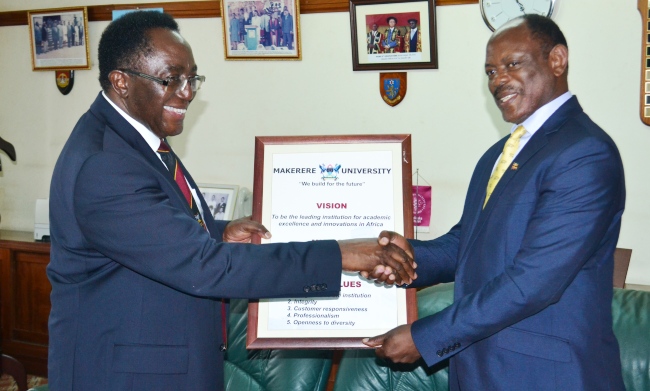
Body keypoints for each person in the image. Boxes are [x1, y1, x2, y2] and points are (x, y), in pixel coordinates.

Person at [47, 11, 415, 391]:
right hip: (124, 376)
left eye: (192, 78)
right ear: (121, 81)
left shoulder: (135, 139)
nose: (187, 92)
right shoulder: (106, 163)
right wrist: (341, 254)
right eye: (171, 78)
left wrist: (219, 232)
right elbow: (202, 266)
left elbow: (157, 230)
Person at [363, 15, 626, 390]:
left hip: (547, 377)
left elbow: (533, 281)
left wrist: (426, 337)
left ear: (557, 60)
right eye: (490, 71)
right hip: (481, 370)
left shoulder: (585, 152)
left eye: (512, 64)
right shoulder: (498, 154)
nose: (498, 80)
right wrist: (406, 257)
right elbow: (466, 244)